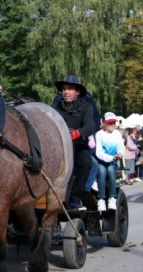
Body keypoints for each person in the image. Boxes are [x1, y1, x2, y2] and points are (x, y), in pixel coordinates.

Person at [52, 74, 95, 211]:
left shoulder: (86, 107)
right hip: (59, 149)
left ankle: (74, 199)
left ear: (77, 92)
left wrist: (77, 133)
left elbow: (90, 127)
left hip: (77, 148)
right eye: (64, 89)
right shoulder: (55, 106)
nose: (66, 92)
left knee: (87, 163)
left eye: (70, 89)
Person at [95, 112, 125, 212]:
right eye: (109, 123)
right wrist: (111, 157)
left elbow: (121, 147)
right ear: (103, 123)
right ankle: (101, 199)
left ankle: (112, 198)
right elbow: (98, 152)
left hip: (113, 162)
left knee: (111, 170)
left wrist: (120, 153)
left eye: (113, 122)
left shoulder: (117, 134)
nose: (112, 125)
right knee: (102, 172)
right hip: (102, 161)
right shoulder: (99, 134)